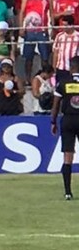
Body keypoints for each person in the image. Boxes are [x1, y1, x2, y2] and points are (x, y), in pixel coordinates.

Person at [50, 53, 79, 200]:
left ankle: (68, 192)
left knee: (68, 157)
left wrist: (53, 122)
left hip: (67, 120)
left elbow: (56, 105)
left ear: (70, 67)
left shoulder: (63, 83)